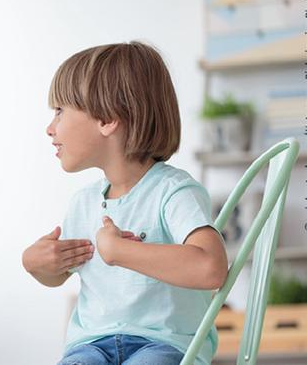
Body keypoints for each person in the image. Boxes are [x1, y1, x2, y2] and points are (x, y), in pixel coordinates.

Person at [21, 41, 228, 365]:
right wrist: (38, 265)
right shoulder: (84, 202)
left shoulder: (173, 191)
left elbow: (210, 269)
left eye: (60, 110)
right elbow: (59, 274)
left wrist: (120, 252)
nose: (50, 128)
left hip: (163, 345)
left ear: (107, 119)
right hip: (90, 347)